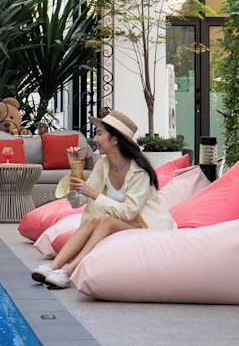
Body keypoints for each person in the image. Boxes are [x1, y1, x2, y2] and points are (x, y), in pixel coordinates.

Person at [31, 110, 176, 289]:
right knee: (94, 220)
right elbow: (77, 202)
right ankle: (53, 267)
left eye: (99, 134)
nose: (95, 139)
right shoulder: (103, 164)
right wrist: (75, 168)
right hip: (119, 224)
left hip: (148, 228)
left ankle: (68, 271)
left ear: (114, 140)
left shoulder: (139, 172)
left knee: (106, 221)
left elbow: (129, 213)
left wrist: (94, 194)